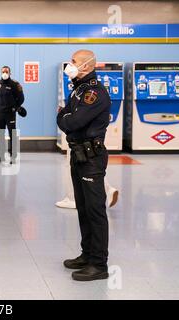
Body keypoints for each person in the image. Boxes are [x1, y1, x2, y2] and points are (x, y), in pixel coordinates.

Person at [57, 49, 111, 281]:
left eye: (74, 61)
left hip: (91, 158)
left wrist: (64, 117)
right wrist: (65, 117)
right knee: (82, 208)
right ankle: (87, 254)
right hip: (78, 154)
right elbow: (66, 119)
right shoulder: (78, 90)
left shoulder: (95, 93)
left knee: (95, 210)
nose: (70, 65)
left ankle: (99, 265)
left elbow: (72, 121)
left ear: (87, 66)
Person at [0, 66, 24, 163]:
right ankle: (0, 156)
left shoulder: (15, 84)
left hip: (10, 114)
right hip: (0, 114)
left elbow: (21, 98)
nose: (4, 73)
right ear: (1, 73)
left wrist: (16, 107)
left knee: (12, 135)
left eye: (6, 71)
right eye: (3, 71)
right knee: (0, 135)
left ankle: (13, 156)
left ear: (10, 73)